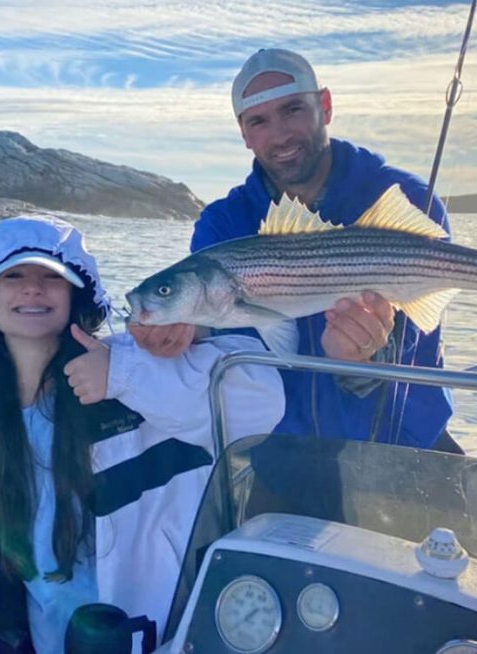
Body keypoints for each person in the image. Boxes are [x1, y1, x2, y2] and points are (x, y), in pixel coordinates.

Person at [0, 215, 284, 654]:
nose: (32, 288)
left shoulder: (135, 368)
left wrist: (123, 374)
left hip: (169, 636)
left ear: (77, 294)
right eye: (13, 277)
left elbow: (261, 404)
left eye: (51, 278)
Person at [130, 48, 459, 452]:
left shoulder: (403, 197)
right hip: (283, 453)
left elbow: (418, 332)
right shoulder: (222, 223)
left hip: (404, 442)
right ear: (244, 133)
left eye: (292, 110)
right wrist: (186, 333)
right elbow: (231, 343)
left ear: (325, 105)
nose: (280, 134)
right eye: (259, 121)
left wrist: (362, 360)